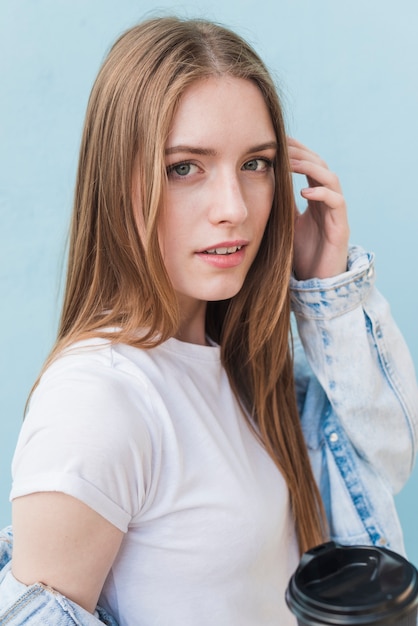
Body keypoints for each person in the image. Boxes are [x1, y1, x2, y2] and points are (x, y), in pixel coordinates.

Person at [0, 15, 417, 626]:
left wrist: (328, 293)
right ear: (120, 184)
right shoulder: (99, 400)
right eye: (184, 168)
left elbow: (384, 459)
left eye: (256, 164)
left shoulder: (245, 365)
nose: (234, 209)